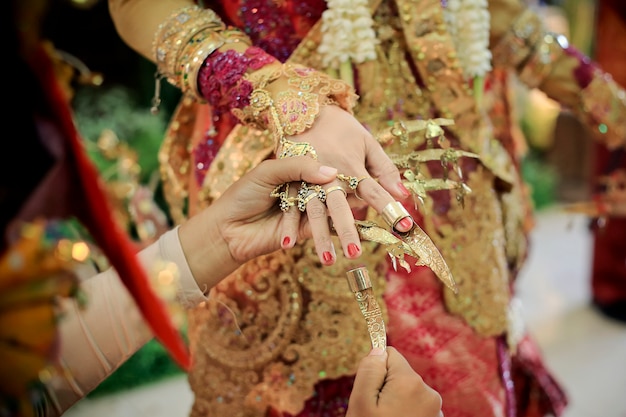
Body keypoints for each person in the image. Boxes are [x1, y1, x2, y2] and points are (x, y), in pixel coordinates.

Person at [108, 0, 626, 416]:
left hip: (447, 187)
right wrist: (279, 95)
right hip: (291, 175)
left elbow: (501, 17)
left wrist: (611, 108)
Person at [2, 2, 442, 417]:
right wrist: (286, 100)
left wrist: (219, 239)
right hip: (285, 187)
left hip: (432, 183)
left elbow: (42, 364)